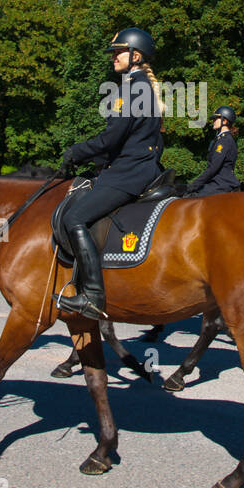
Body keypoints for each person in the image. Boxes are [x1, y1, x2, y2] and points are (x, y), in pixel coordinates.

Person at [55, 28, 165, 320]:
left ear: (135, 55)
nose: (113, 57)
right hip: (137, 167)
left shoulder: (132, 90)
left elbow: (110, 139)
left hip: (128, 173)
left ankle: (92, 295)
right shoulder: (143, 88)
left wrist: (75, 153)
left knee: (74, 218)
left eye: (118, 52)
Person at [187, 106, 241, 196]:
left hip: (221, 184)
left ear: (225, 121)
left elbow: (213, 168)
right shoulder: (221, 139)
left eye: (216, 118)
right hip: (217, 183)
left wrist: (193, 185)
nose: (213, 121)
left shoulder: (224, 141)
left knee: (192, 199)